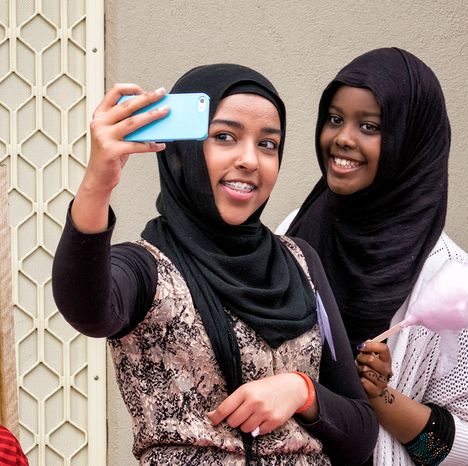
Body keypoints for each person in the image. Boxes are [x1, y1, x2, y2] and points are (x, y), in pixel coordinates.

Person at [51, 64, 377, 465]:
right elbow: (86, 309)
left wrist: (301, 391)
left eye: (268, 144)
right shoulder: (146, 268)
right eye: (225, 137)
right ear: (181, 152)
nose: (250, 160)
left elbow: (361, 435)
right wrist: (98, 183)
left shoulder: (300, 261)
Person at [279, 48, 468, 465]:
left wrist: (382, 397)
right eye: (334, 119)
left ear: (411, 141)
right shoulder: (294, 230)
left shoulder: (445, 273)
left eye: (369, 126)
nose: (343, 138)